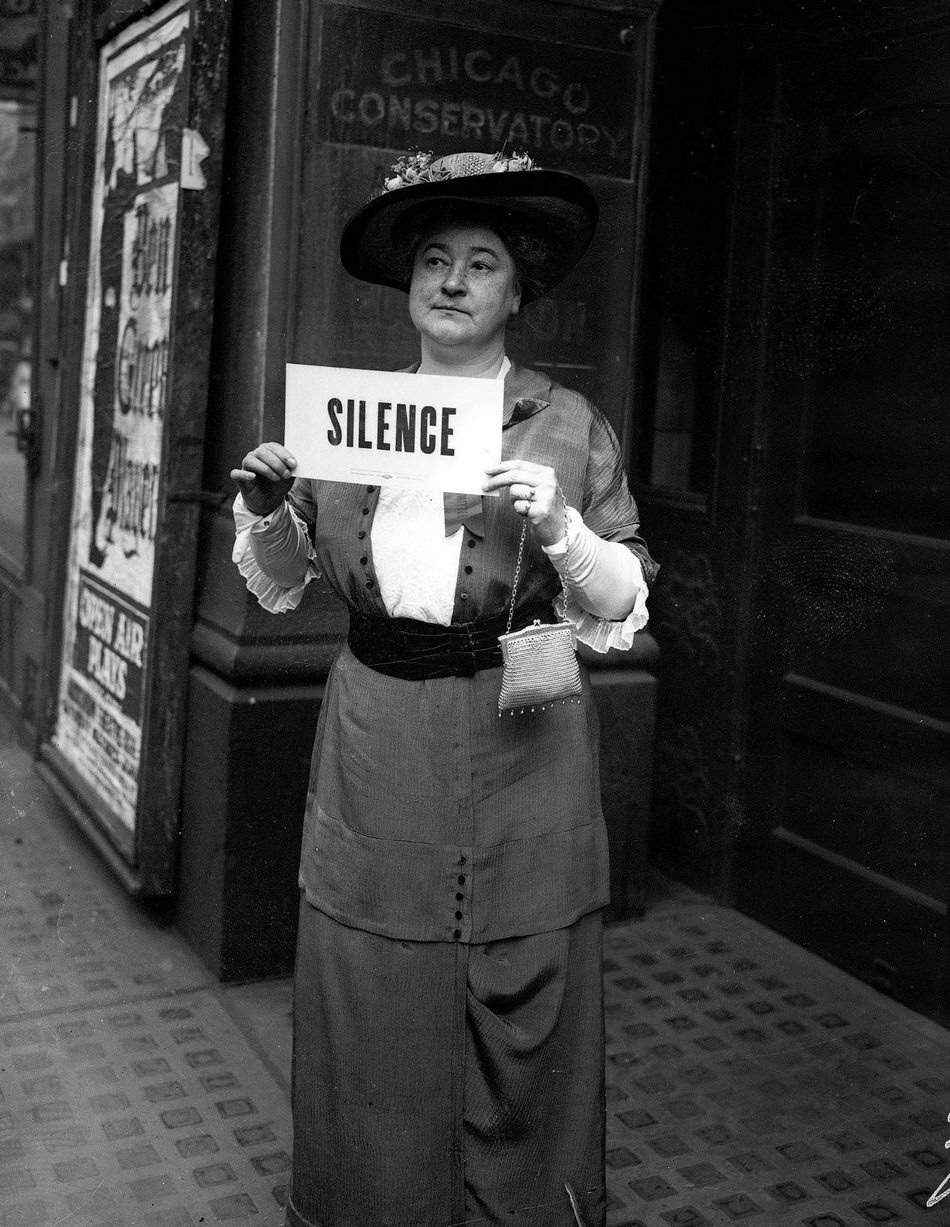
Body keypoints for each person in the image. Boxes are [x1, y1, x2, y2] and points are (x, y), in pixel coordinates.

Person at [230, 150, 658, 1227]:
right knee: (375, 989)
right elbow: (285, 588)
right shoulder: (350, 422)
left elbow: (617, 600)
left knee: (528, 982)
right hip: (381, 729)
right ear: (409, 286)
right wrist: (270, 510)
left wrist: (558, 524)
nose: (454, 281)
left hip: (529, 720)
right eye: (433, 260)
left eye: (481, 263)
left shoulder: (568, 424)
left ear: (518, 291)